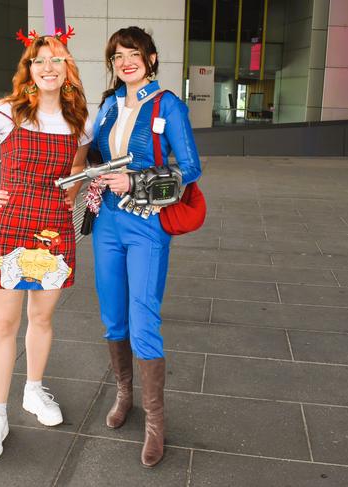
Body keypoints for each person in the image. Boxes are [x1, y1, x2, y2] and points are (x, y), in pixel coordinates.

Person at [0, 28, 91, 462]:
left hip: (54, 226)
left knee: (41, 319)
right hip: (8, 225)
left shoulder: (78, 120)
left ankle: (32, 391)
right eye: (40, 60)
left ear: (67, 70)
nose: (49, 67)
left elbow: (77, 167)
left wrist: (69, 197)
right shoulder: (8, 112)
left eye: (57, 59)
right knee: (5, 325)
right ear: (29, 70)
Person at [90, 26, 202, 467]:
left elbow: (190, 167)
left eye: (133, 53)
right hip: (107, 224)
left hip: (146, 223)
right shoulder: (107, 105)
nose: (124, 61)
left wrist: (135, 179)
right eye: (117, 56)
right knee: (112, 315)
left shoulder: (168, 104)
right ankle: (125, 396)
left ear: (151, 58)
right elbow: (90, 153)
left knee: (143, 317)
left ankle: (155, 420)